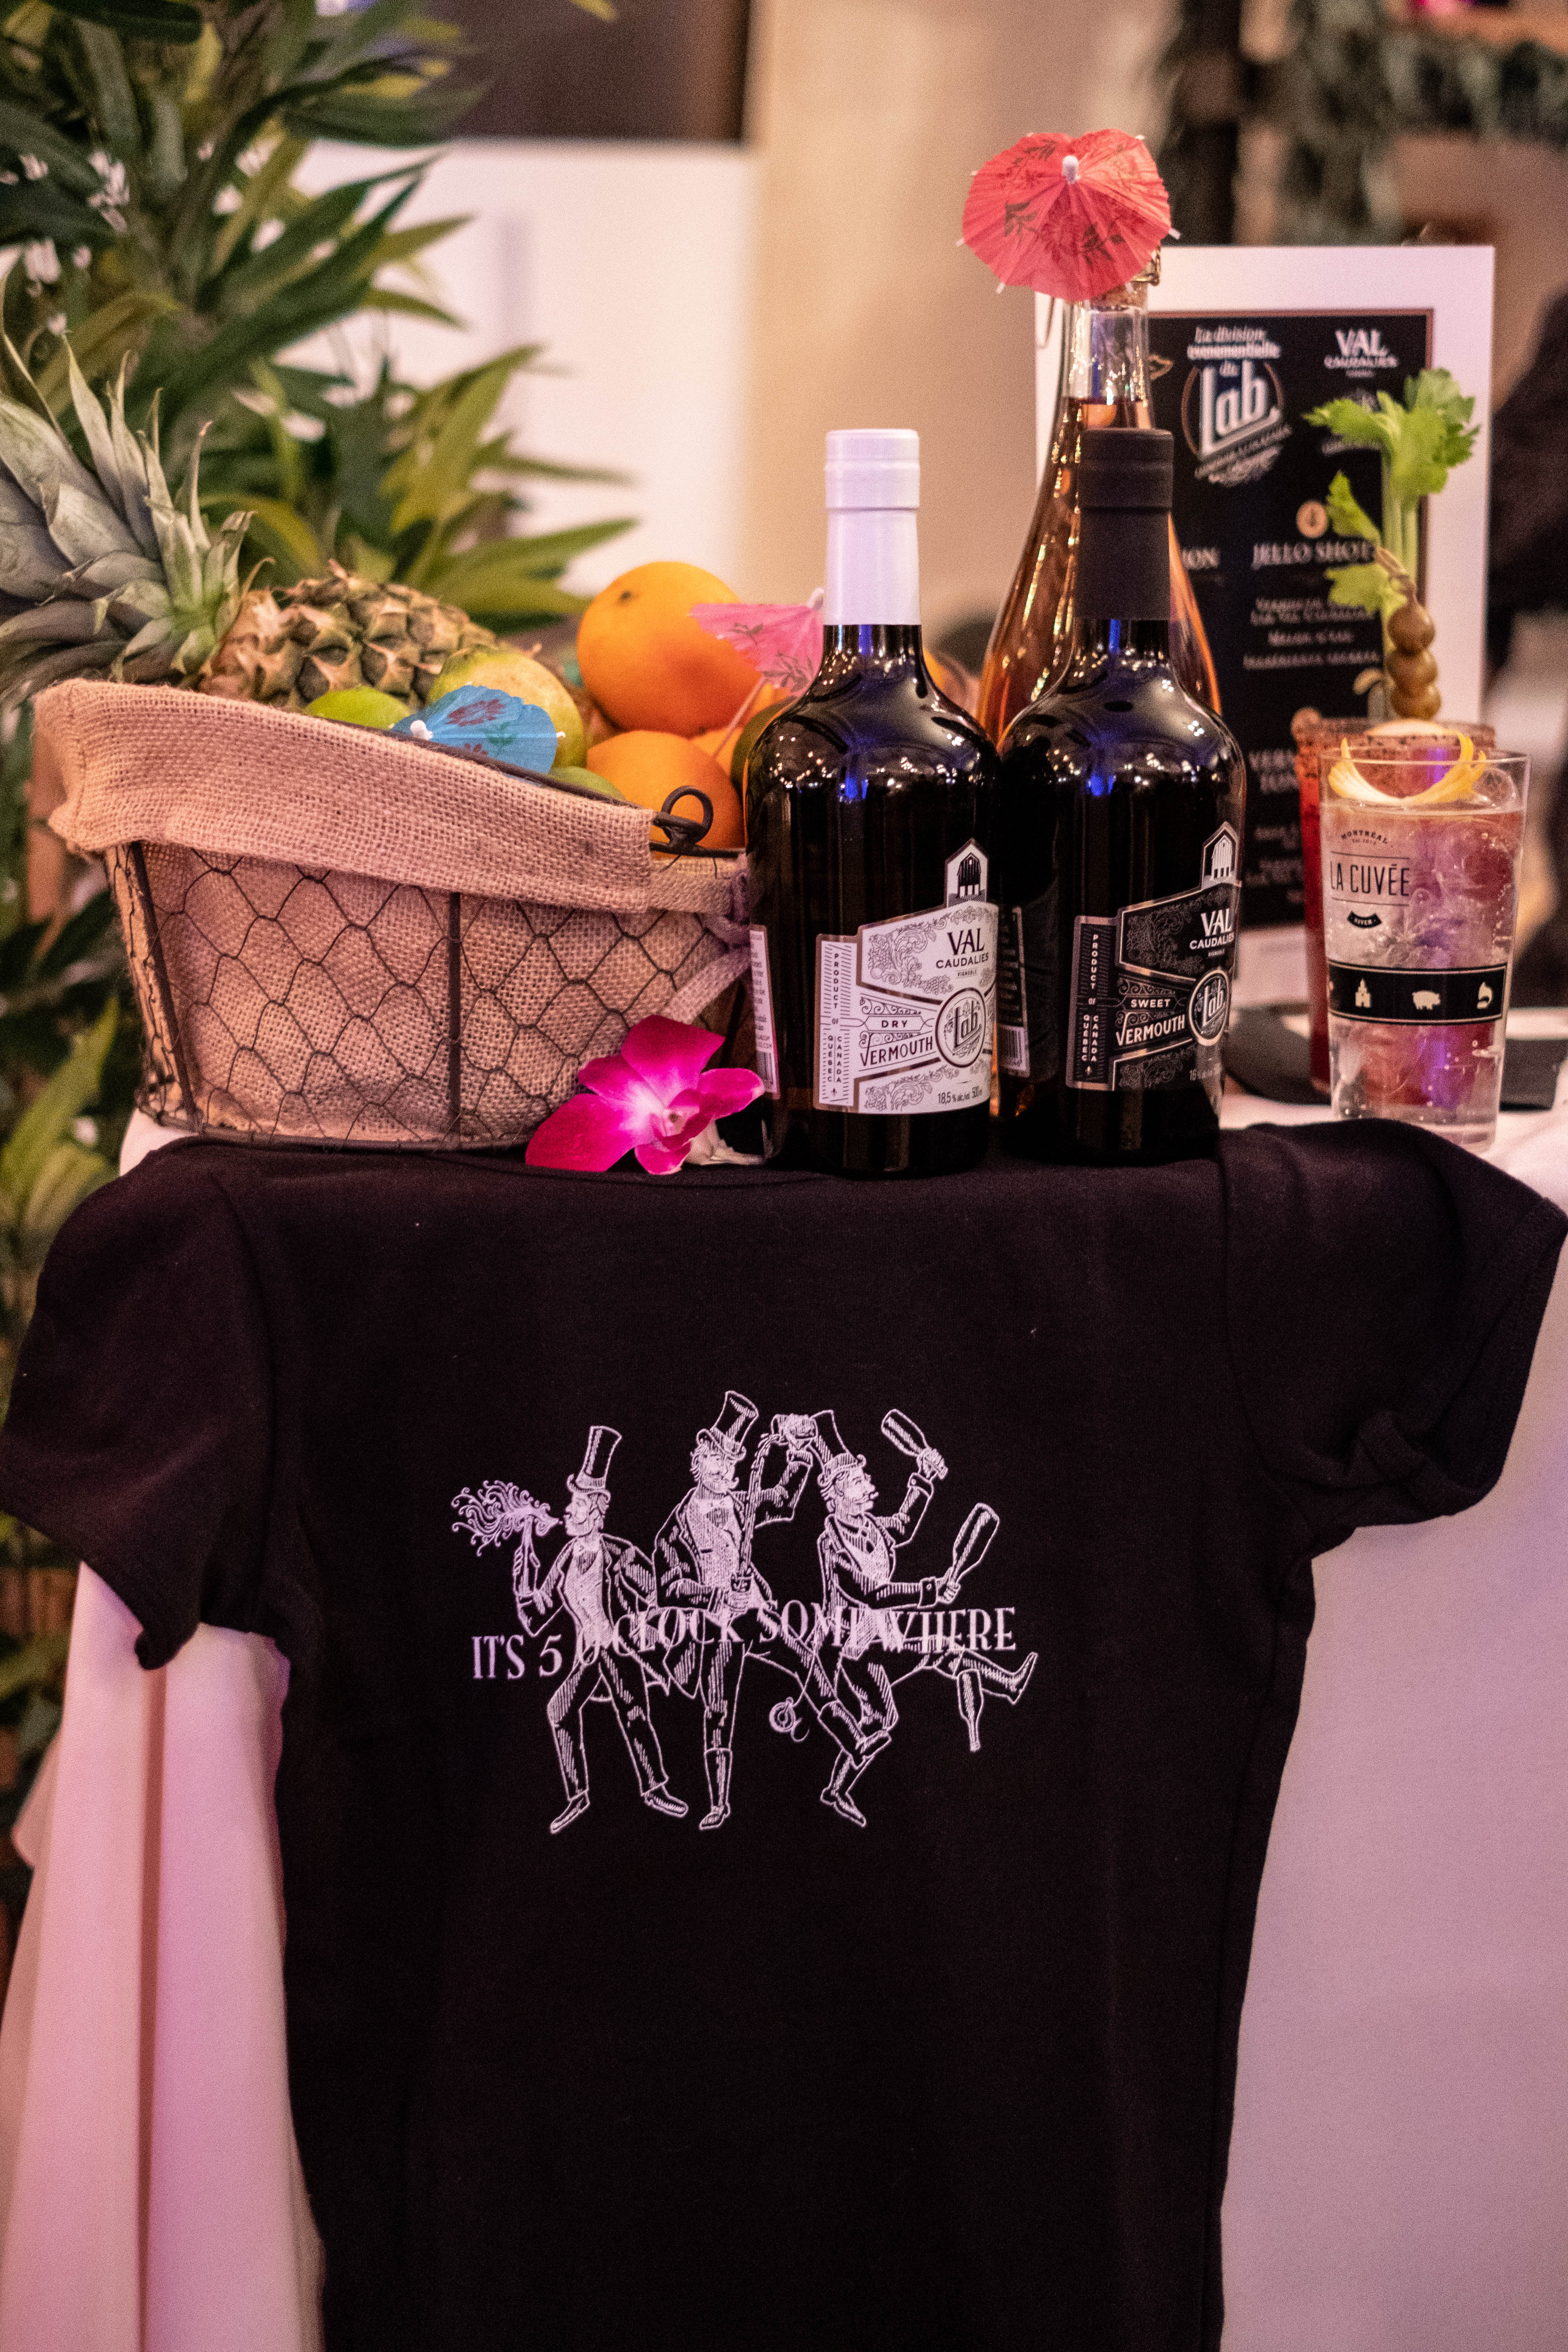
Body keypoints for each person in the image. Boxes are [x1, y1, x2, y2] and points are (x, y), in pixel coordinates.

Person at [653, 1392, 882, 1831]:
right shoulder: (674, 1530)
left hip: (755, 1613)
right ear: (698, 1462)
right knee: (719, 1709)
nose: (726, 1471)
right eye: (717, 1462)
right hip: (717, 1628)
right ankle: (719, 1803)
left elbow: (782, 1501)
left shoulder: (740, 1502)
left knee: (805, 1659)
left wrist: (798, 1455)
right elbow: (670, 1587)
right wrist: (716, 1597)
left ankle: (855, 1741)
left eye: (730, 1463)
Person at [808, 1411, 1036, 1826]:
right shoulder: (832, 1544)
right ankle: (836, 1790)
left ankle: (1008, 1684)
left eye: (864, 1477)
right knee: (882, 1720)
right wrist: (930, 1591)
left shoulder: (870, 1527)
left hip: (882, 1638)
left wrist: (924, 1477)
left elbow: (904, 1526)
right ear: (836, 1494)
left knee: (942, 1649)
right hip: (853, 1651)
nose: (868, 1483)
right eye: (858, 1481)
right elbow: (870, 1593)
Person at [523, 1425, 686, 1835]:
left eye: (576, 1505)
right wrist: (523, 1570)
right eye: (571, 1504)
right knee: (559, 1711)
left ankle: (656, 1789)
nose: (567, 1511)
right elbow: (538, 1614)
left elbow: (659, 1593)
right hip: (588, 1655)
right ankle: (577, 1796)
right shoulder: (566, 1556)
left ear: (595, 1511)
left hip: (618, 1648)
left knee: (634, 1714)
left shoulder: (619, 1553)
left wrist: (646, 1630)